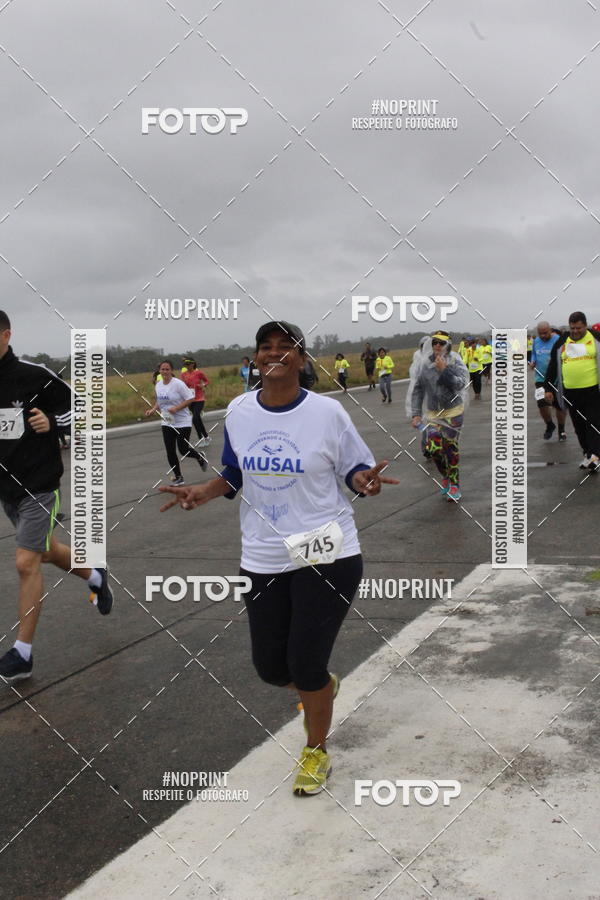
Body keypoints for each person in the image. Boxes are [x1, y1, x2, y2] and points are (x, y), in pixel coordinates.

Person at [159, 321, 398, 796]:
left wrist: (362, 482)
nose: (274, 354)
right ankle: (321, 688)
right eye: (265, 347)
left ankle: (316, 750)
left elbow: (354, 468)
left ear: (301, 359)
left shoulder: (327, 413)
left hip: (325, 550)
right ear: (256, 358)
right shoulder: (241, 410)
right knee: (271, 668)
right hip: (263, 554)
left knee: (305, 663)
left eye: (285, 347)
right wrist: (203, 491)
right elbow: (233, 472)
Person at [0, 311, 113, 683]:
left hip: (40, 484)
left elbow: (83, 409)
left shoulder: (33, 375)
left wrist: (51, 422)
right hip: (7, 488)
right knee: (44, 551)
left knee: (25, 562)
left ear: (6, 335)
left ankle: (22, 653)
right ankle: (94, 574)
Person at [407, 331, 470, 502]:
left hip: (453, 411)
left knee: (450, 447)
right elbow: (418, 390)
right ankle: (446, 476)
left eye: (441, 343)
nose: (437, 346)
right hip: (434, 413)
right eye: (435, 342)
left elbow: (460, 384)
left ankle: (455, 484)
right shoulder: (424, 364)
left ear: (447, 345)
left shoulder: (454, 361)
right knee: (433, 448)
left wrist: (444, 371)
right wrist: (415, 414)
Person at [545, 311, 600, 470]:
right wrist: (548, 387)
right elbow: (553, 365)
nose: (575, 331)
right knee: (579, 426)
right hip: (570, 392)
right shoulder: (563, 340)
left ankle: (595, 456)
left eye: (578, 328)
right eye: (572, 328)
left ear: (586, 326)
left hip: (592, 390)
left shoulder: (596, 338)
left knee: (593, 423)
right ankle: (587, 454)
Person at [145, 360, 208, 485]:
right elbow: (160, 401)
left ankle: (199, 457)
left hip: (182, 422)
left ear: (171, 370)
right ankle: (178, 477)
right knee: (170, 451)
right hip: (167, 422)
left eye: (167, 369)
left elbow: (190, 398)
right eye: (162, 369)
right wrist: (152, 410)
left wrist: (177, 408)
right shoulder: (158, 385)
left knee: (183, 450)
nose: (165, 371)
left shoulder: (178, 384)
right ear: (159, 371)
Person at [529, 321, 567, 441]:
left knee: (559, 406)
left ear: (550, 330)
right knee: (541, 403)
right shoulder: (536, 341)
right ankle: (550, 425)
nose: (543, 336)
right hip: (540, 378)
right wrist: (533, 361)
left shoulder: (558, 340)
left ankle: (561, 430)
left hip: (557, 378)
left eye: (545, 333)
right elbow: (534, 354)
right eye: (540, 333)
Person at [181, 358, 211, 447]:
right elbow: (182, 386)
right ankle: (206, 437)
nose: (187, 366)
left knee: (195, 418)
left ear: (193, 364)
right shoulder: (183, 374)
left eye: (188, 364)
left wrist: (203, 385)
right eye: (185, 364)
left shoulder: (198, 373)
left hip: (199, 399)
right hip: (190, 400)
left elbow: (207, 381)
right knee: (197, 420)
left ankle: (201, 439)